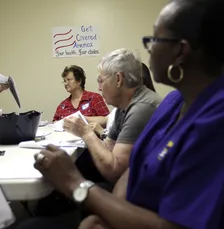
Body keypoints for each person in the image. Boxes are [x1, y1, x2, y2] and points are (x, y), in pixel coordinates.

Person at [27, 0, 224, 228]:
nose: (148, 49)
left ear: (180, 51)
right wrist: (109, 213)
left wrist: (76, 184)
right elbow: (131, 172)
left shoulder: (215, 122)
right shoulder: (173, 102)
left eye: (155, 39)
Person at [67, 49, 161, 184]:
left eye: (101, 81)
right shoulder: (123, 106)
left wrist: (86, 133)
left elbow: (114, 172)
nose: (99, 88)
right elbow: (108, 148)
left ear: (118, 79)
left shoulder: (142, 107)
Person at [88, 62, 156, 138]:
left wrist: (95, 133)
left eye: (101, 81)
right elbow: (107, 120)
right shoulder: (121, 106)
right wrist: (82, 119)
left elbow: (116, 146)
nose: (99, 88)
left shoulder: (139, 109)